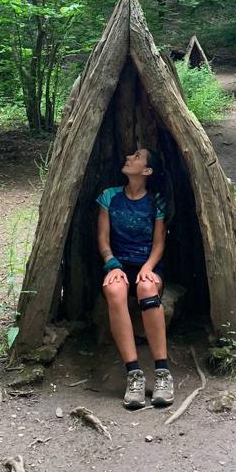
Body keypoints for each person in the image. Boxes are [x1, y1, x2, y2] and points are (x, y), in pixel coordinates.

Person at [97, 148, 175, 409]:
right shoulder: (110, 196)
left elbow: (159, 243)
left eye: (137, 157)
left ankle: (162, 373)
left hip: (147, 263)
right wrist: (113, 264)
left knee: (146, 289)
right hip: (118, 264)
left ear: (147, 171)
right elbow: (103, 239)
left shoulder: (156, 201)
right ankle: (134, 375)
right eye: (130, 154)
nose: (128, 157)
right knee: (115, 291)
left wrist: (149, 266)